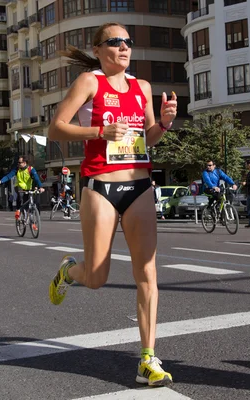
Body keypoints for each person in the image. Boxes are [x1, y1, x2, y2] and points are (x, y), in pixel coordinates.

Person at [45, 23, 178, 386]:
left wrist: (163, 124)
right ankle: (70, 271)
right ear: (99, 48)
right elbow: (55, 128)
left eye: (128, 42)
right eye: (115, 42)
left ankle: (147, 359)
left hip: (139, 187)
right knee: (97, 278)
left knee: (147, 275)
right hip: (99, 185)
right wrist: (98, 132)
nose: (124, 47)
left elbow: (148, 138)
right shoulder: (90, 82)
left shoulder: (142, 87)